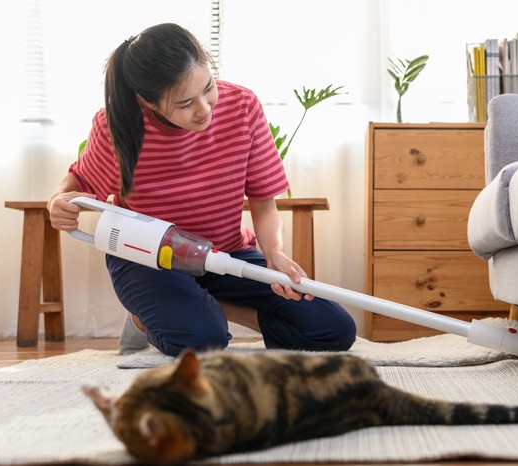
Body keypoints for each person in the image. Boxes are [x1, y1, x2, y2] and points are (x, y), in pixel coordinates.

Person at [47, 23, 356, 357]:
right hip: (150, 259)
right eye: (184, 103)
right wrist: (59, 202)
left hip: (226, 255)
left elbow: (264, 204)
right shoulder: (118, 126)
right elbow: (78, 184)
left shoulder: (243, 107)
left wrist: (274, 254)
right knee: (204, 341)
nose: (205, 110)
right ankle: (145, 319)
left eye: (208, 88)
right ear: (147, 101)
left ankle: (210, 305)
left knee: (332, 327)